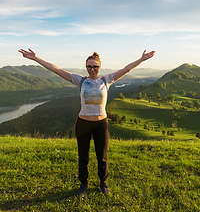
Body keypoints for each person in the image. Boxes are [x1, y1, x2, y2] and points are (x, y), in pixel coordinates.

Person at [18, 48, 155, 197]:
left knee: (102, 156)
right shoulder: (80, 80)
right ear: (86, 67)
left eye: (95, 66)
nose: (92, 69)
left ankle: (103, 183)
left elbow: (126, 69)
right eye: (89, 66)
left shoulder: (106, 80)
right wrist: (36, 58)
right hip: (83, 123)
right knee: (83, 157)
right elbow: (56, 69)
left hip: (101, 124)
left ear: (99, 67)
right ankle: (83, 184)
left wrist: (142, 59)